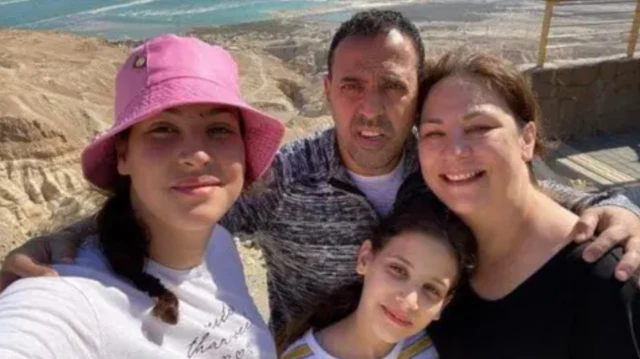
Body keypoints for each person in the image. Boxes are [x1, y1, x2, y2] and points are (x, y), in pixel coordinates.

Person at [3, 10, 640, 335]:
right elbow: (172, 203)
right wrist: (66, 238)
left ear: (416, 94)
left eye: (392, 87)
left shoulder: (443, 164)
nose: (370, 108)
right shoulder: (284, 177)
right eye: (352, 86)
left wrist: (620, 205)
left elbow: (536, 193)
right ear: (327, 89)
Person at [0, 34, 285, 358]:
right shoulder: (68, 300)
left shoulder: (219, 245)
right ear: (123, 154)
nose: (197, 155)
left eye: (219, 129)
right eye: (163, 128)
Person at [414, 48, 640, 358]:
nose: (455, 150)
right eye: (434, 132)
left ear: (527, 139)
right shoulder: (435, 251)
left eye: (479, 127)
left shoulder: (601, 279)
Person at [278, 190, 476, 359]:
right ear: (365, 259)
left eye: (432, 289)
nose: (409, 302)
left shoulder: (428, 351)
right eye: (398, 270)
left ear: (444, 305)